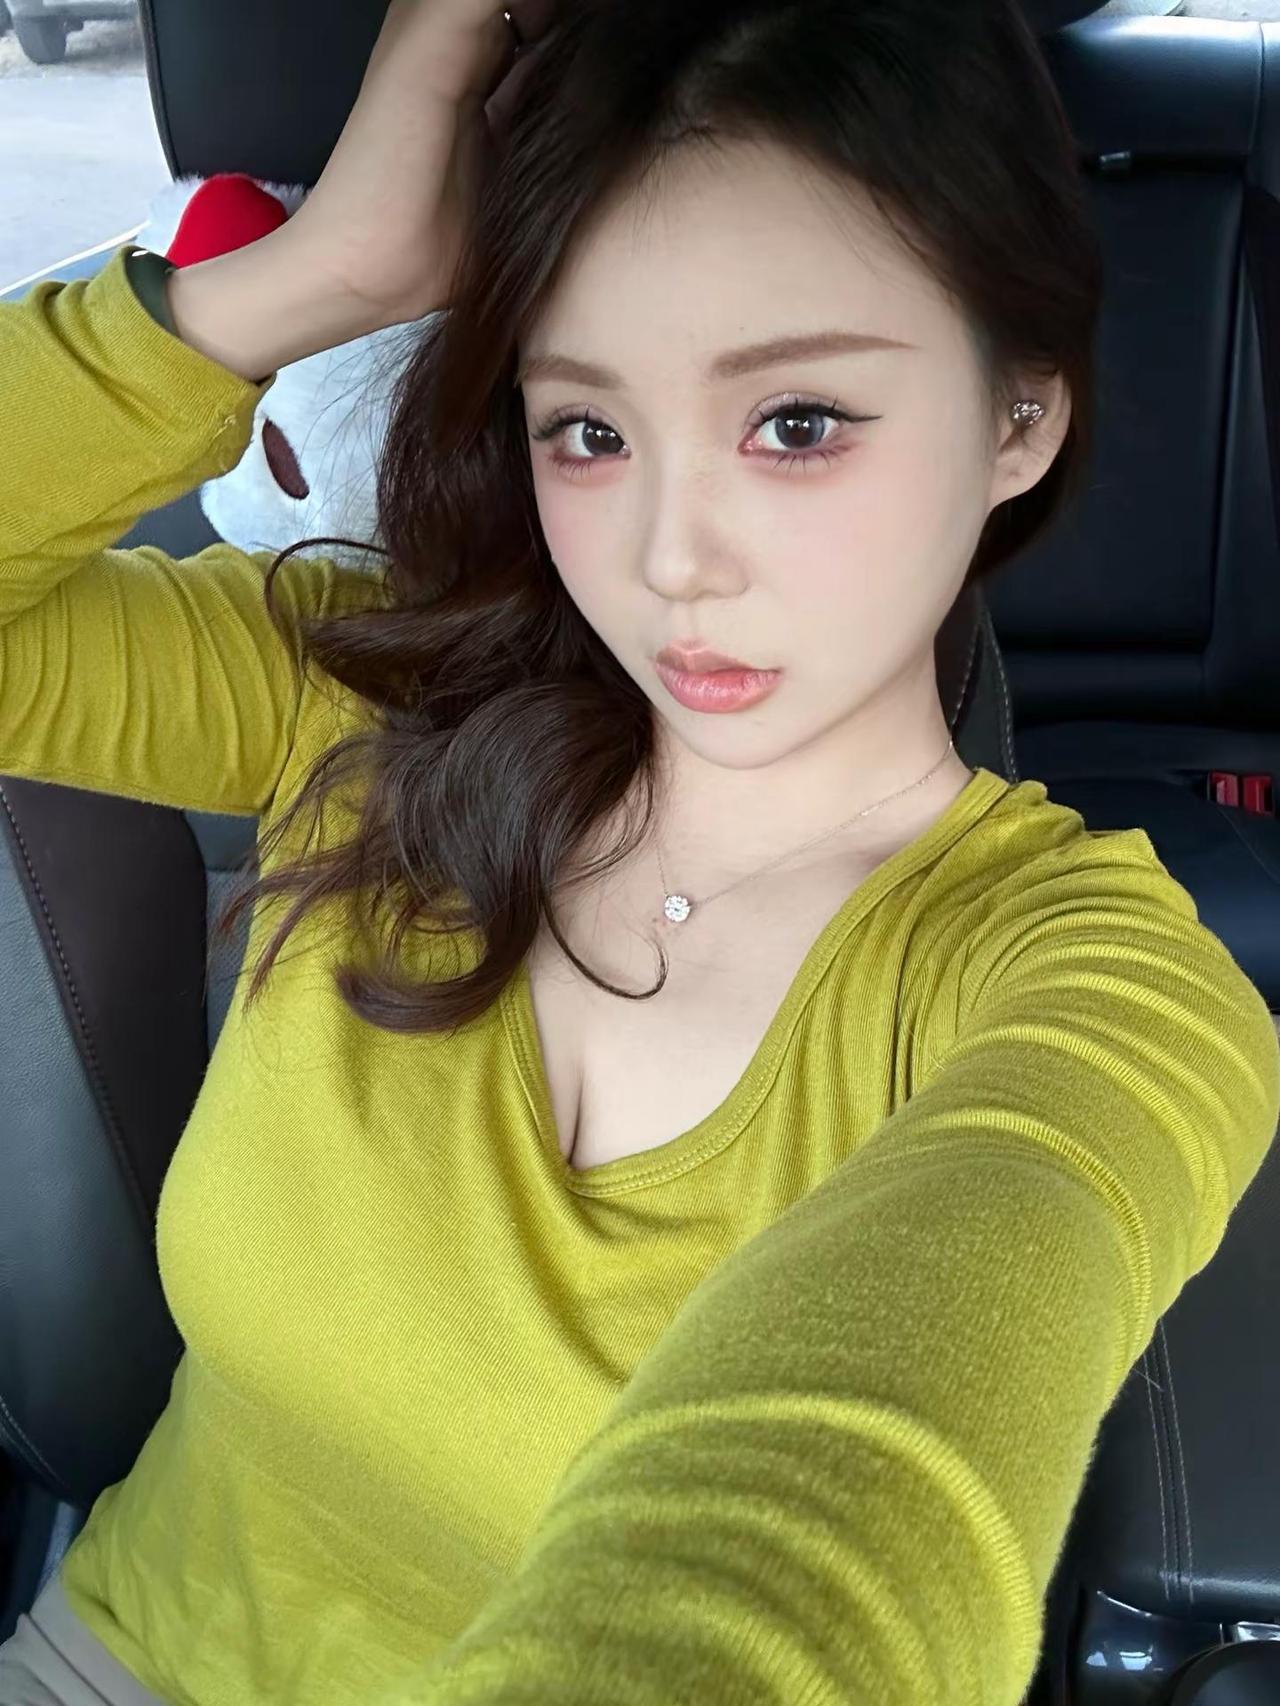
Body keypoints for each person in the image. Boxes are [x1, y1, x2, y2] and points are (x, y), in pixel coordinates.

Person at [1, 0, 1277, 1701]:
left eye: (798, 421)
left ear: (1020, 419)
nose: (674, 557)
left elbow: (850, 1516)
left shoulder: (1088, 978)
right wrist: (302, 280)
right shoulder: (367, 703)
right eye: (588, 430)